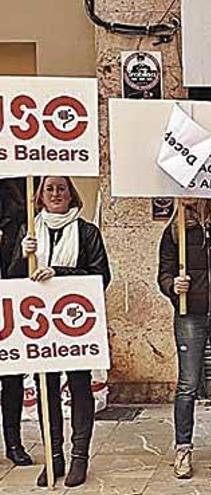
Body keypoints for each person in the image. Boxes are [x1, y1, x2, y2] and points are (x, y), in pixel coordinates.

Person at [9, 176, 111, 487]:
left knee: (80, 387)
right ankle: (54, 456)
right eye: (49, 188)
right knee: (46, 390)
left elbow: (101, 275)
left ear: (71, 195)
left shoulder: (87, 232)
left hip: (75, 325)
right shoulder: (29, 231)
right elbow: (12, 278)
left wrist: (60, 273)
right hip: (40, 326)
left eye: (61, 188)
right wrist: (21, 256)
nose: (56, 193)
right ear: (39, 195)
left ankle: (80, 456)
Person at [157, 198, 211, 479]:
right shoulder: (174, 229)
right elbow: (164, 273)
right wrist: (172, 286)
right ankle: (183, 447)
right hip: (188, 314)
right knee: (187, 384)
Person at [0, 179, 33, 467]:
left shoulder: (19, 217)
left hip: (11, 305)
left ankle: (14, 442)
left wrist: (22, 254)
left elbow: (17, 272)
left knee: (11, 380)